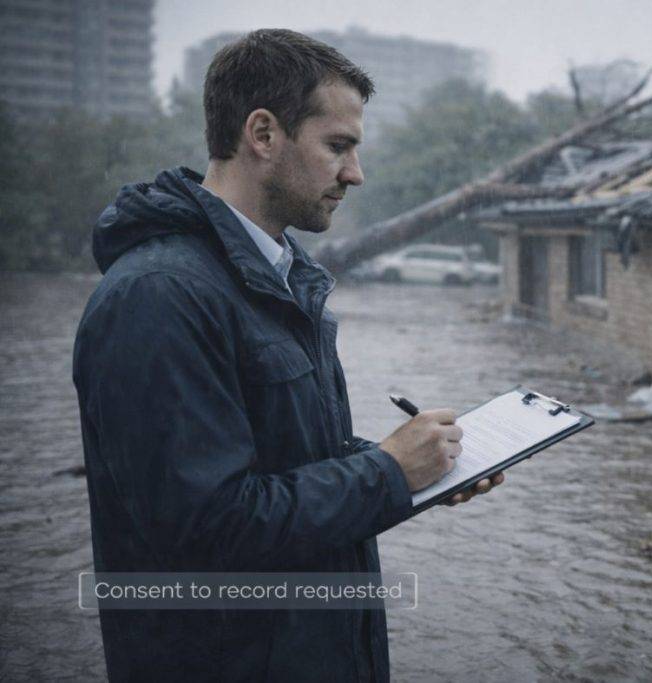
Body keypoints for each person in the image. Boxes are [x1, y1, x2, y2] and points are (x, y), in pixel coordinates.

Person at [72, 28, 502, 682]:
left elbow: (288, 461)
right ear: (263, 135)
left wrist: (421, 467)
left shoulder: (281, 277)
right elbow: (209, 526)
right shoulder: (158, 299)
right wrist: (387, 473)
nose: (355, 174)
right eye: (339, 146)